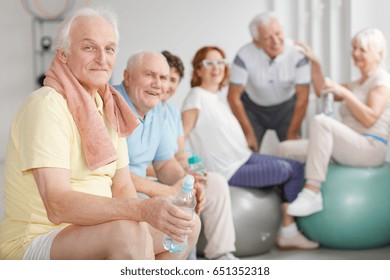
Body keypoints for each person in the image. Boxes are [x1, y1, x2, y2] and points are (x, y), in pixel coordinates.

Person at [0, 7, 200, 260]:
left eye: (109, 49)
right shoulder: (46, 105)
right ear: (63, 54)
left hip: (96, 231)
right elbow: (57, 204)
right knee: (128, 233)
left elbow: (123, 186)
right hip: (37, 239)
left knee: (186, 226)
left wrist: (143, 219)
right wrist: (142, 210)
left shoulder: (109, 107)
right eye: (88, 47)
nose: (102, 59)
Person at [182, 45, 319, 250]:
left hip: (244, 158)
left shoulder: (218, 100)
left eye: (220, 62)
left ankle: (287, 231)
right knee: (285, 170)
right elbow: (180, 136)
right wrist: (185, 166)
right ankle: (288, 232)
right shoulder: (195, 96)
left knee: (295, 166)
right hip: (229, 170)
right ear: (198, 69)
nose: (216, 67)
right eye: (209, 63)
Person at [114, 50, 238, 260]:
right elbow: (115, 176)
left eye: (163, 78)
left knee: (189, 216)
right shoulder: (111, 103)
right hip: (117, 190)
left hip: (141, 185)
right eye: (149, 75)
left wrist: (184, 183)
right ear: (127, 77)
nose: (158, 84)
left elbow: (164, 163)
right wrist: (169, 191)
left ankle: (221, 253)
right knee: (180, 220)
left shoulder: (157, 110)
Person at [277, 28, 390, 216]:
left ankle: (312, 191)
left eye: (362, 49)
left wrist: (344, 92)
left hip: (369, 148)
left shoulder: (382, 81)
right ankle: (289, 218)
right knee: (285, 149)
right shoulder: (356, 83)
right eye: (354, 48)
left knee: (321, 122)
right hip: (347, 147)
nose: (355, 53)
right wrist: (315, 62)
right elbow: (322, 90)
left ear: (378, 54)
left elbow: (369, 118)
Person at [227, 11, 310, 152]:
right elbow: (233, 97)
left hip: (287, 108)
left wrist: (291, 133)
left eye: (278, 34)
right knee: (247, 151)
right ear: (256, 41)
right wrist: (248, 133)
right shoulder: (244, 55)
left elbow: (303, 97)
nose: (275, 41)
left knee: (293, 150)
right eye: (267, 38)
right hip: (253, 109)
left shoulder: (298, 53)